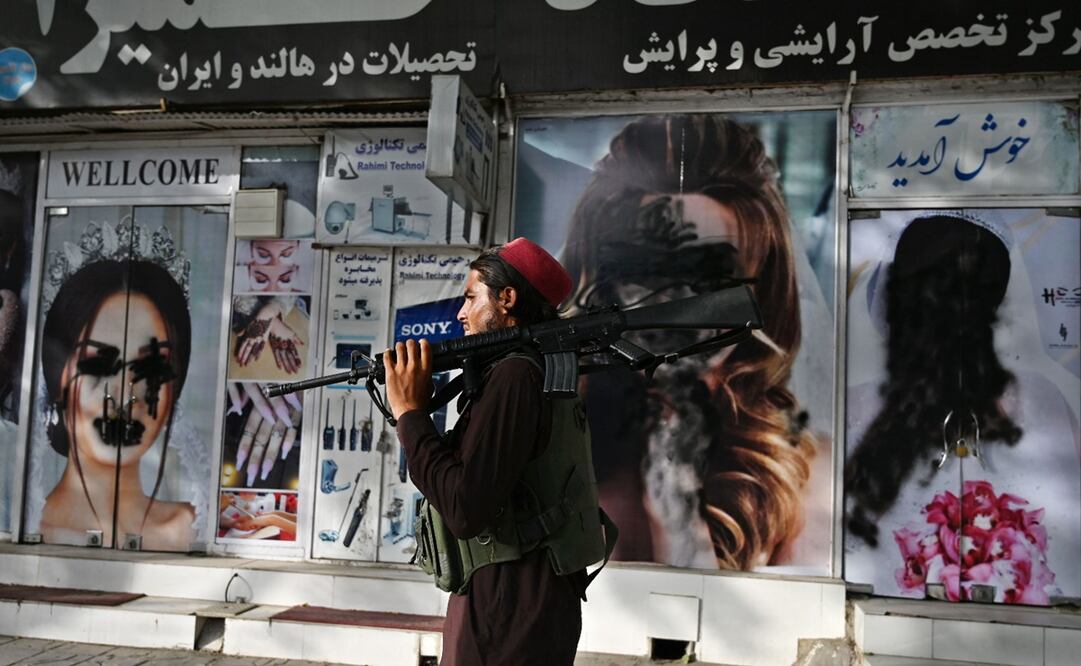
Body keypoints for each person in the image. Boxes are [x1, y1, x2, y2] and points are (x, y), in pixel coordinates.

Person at [561, 114, 818, 569]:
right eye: (644, 273)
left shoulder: (797, 474)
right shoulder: (558, 422)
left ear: (761, 288)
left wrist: (678, 515)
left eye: (710, 277)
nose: (673, 306)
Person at [383, 238, 610, 665]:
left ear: (507, 299)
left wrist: (411, 416)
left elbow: (466, 507)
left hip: (508, 610)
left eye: (471, 298)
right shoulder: (531, 370)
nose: (461, 313)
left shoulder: (515, 377)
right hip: (522, 601)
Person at [39, 258, 195, 550]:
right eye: (98, 364)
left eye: (151, 368)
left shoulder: (196, 529)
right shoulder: (23, 528)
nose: (124, 397)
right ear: (58, 377)